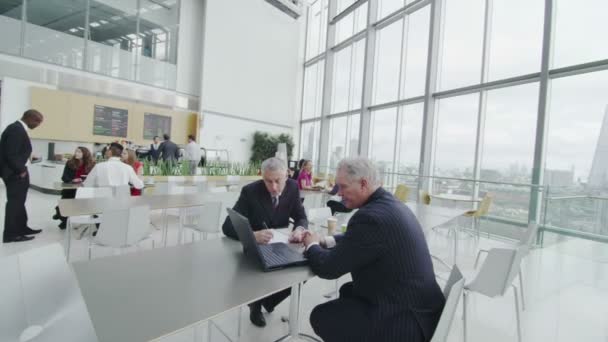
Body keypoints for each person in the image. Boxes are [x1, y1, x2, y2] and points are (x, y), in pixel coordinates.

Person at [302, 157, 445, 342]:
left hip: (407, 322)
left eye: (343, 187)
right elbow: (359, 238)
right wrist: (324, 240)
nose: (339, 194)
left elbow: (328, 268)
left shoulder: (370, 217)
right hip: (423, 309)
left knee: (321, 316)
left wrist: (311, 244)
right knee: (348, 290)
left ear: (363, 184)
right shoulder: (390, 205)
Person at [222, 157, 308, 328]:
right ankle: (255, 305)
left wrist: (299, 229)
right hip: (256, 247)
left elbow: (301, 216)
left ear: (287, 175)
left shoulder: (292, 187)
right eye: (268, 181)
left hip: (281, 244)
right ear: (262, 177)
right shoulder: (250, 191)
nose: (274, 187)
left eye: (278, 181)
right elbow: (227, 226)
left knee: (304, 271)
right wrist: (253, 235)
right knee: (262, 270)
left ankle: (267, 301)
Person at [0, 109, 44, 243]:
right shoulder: (16, 129)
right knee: (14, 204)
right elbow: (10, 154)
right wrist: (20, 170)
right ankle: (11, 235)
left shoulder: (18, 129)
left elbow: (16, 152)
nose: (38, 125)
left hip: (17, 172)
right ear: (29, 118)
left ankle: (22, 228)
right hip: (15, 174)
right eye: (37, 122)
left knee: (19, 203)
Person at [53, 147, 96, 229]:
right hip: (70, 189)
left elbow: (93, 178)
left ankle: (62, 216)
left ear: (85, 154)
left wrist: (84, 180)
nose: (76, 153)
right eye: (76, 151)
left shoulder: (92, 164)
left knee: (75, 207)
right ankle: (62, 218)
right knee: (65, 205)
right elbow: (64, 177)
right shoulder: (70, 163)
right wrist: (73, 180)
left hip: (84, 190)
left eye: (79, 152)